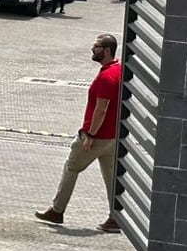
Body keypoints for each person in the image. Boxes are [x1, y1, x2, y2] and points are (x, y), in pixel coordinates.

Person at [35, 34, 123, 233]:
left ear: (107, 50)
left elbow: (101, 109)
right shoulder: (118, 70)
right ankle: (116, 218)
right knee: (111, 177)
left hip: (97, 137)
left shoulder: (106, 77)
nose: (93, 49)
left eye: (97, 47)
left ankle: (57, 211)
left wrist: (90, 135)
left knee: (71, 167)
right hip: (113, 137)